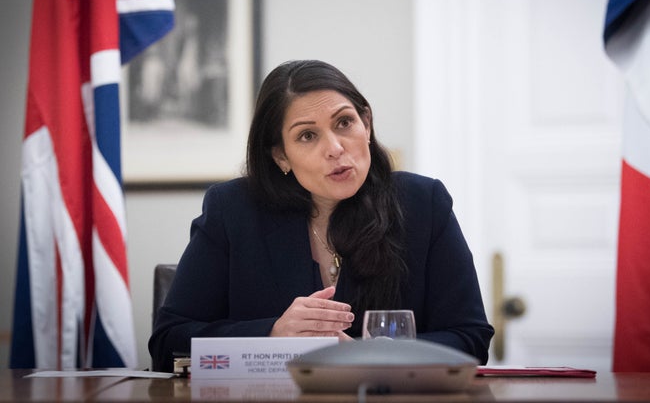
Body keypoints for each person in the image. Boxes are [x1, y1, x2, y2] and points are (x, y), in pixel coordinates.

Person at [149, 60, 494, 372]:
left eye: (344, 122)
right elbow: (168, 342)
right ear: (281, 156)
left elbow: (471, 339)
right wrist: (272, 334)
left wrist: (370, 353)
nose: (334, 148)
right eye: (307, 135)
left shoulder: (424, 203)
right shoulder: (232, 210)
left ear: (367, 123)